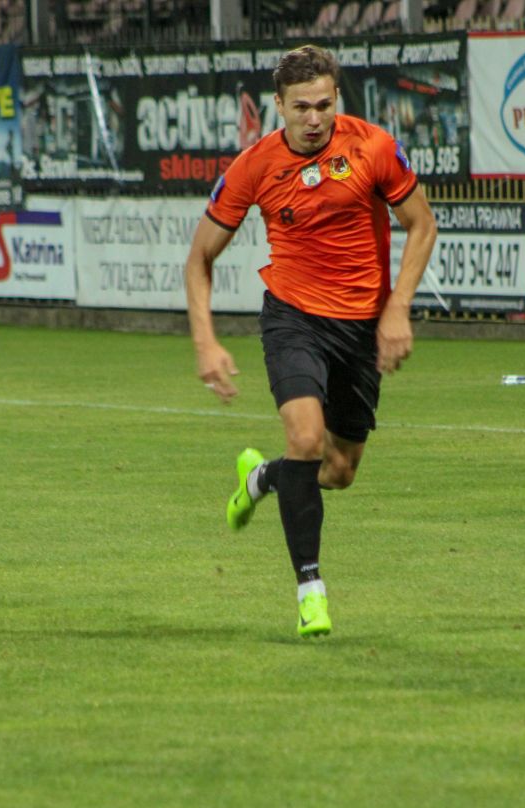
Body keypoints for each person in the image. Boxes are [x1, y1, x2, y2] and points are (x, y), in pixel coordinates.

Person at [184, 45, 438, 638]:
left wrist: (397, 309)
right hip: (293, 318)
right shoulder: (254, 166)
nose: (315, 118)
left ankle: (264, 478)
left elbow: (421, 224)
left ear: (337, 99)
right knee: (304, 437)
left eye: (324, 105)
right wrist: (205, 343)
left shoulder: (373, 147)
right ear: (279, 105)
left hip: (361, 327)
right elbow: (199, 258)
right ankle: (311, 592)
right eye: (301, 107)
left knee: (339, 469)